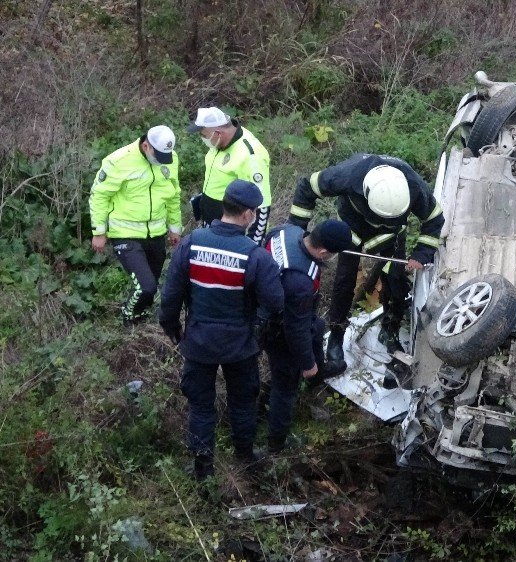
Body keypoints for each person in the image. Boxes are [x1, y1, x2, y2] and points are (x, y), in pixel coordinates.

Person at [158, 180, 284, 481]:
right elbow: (276, 302)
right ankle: (245, 455)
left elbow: (171, 295)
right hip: (239, 345)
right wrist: (258, 325)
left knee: (201, 406)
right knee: (242, 401)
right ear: (249, 215)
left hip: (198, 341)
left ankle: (203, 468)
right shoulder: (255, 256)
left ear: (223, 205)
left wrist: (173, 328)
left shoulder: (191, 243)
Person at [288, 154, 444, 373]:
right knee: (344, 281)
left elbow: (434, 218)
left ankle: (389, 329)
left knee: (395, 280)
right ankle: (336, 333)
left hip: (390, 237)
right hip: (350, 233)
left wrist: (422, 253)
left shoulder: (413, 186)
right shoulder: (347, 176)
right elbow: (307, 187)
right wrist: (296, 232)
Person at [261, 219, 354, 453]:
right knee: (285, 386)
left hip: (273, 305)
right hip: (277, 327)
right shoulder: (301, 279)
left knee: (318, 325)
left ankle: (317, 373)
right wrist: (306, 364)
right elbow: (296, 329)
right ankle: (275, 445)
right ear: (323, 252)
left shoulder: (287, 231)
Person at [89, 125, 182, 325]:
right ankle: (128, 317)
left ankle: (141, 318)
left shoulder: (169, 157)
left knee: (152, 284)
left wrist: (175, 228)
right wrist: (99, 231)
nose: (160, 161)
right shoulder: (118, 161)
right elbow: (99, 195)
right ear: (146, 146)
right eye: (157, 156)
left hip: (156, 233)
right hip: (126, 234)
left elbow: (173, 195)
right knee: (146, 286)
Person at [186, 107, 272, 244]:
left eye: (203, 135)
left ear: (218, 133)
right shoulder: (218, 144)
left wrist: (252, 245)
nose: (202, 139)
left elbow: (262, 205)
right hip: (210, 223)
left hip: (231, 232)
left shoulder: (250, 155)